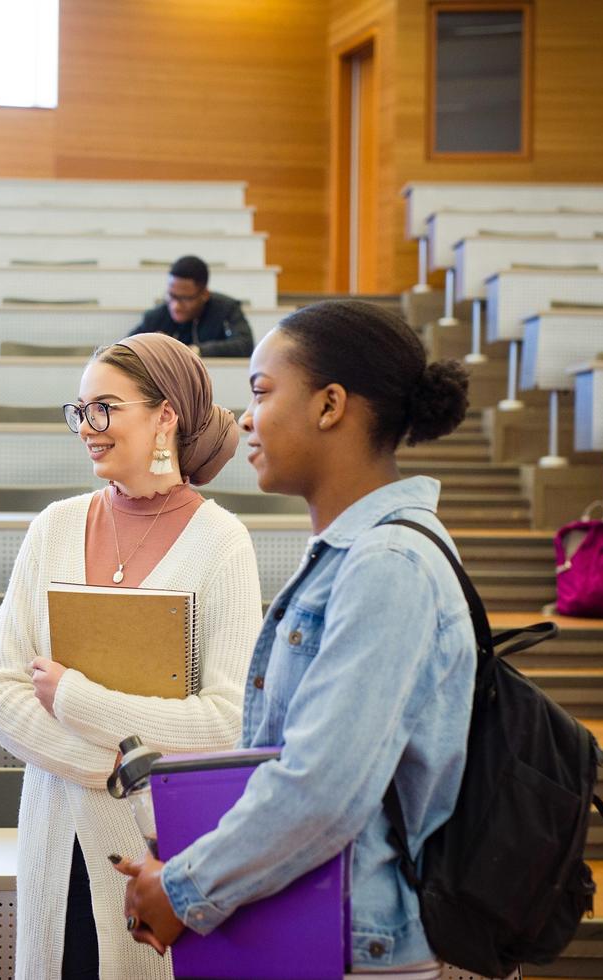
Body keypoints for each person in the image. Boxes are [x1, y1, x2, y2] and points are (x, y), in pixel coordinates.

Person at [114, 300, 476, 976]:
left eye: (262, 392)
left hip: (354, 944)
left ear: (331, 405)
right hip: (314, 922)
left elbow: (322, 789)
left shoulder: (386, 566)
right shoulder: (355, 555)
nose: (246, 418)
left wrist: (181, 888)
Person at [0, 332, 263, 980]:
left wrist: (77, 700)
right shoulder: (53, 525)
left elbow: (226, 722)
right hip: (54, 838)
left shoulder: (222, 542)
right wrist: (116, 767)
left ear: (166, 416)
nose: (87, 427)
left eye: (104, 407)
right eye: (79, 410)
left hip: (158, 850)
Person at [130, 255, 254, 358]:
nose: (176, 306)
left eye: (185, 298)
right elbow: (125, 349)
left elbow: (245, 345)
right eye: (171, 296)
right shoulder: (156, 317)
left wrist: (195, 351)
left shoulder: (226, 309)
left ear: (204, 294)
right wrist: (149, 345)